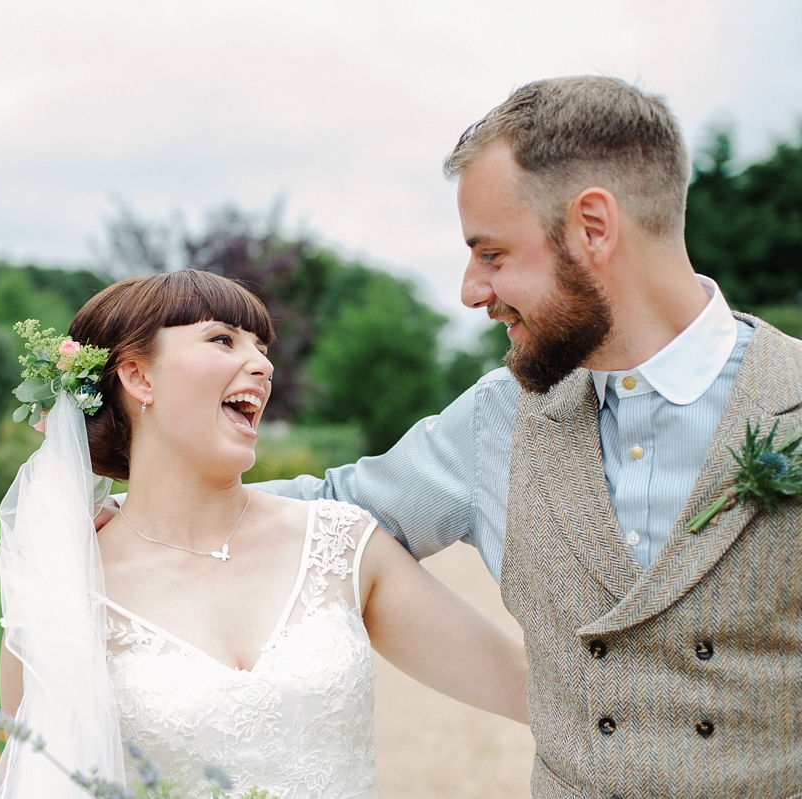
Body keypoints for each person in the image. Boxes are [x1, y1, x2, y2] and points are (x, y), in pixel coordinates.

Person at [256, 76, 802, 797]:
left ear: (593, 228)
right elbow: (330, 512)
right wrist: (119, 507)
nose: (470, 291)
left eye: (492, 254)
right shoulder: (499, 414)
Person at [0, 269, 527, 799]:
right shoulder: (63, 591)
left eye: (262, 347)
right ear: (139, 378)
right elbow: (41, 780)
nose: (263, 364)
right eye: (222, 339)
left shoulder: (344, 545)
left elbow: (537, 692)